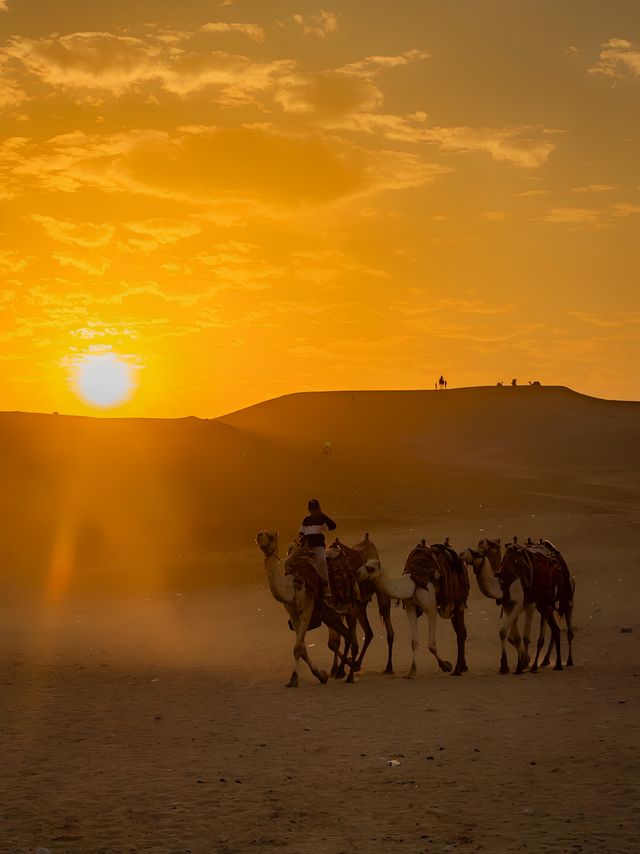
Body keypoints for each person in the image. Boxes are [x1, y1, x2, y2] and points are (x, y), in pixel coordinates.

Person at [299, 499, 337, 601]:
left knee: (322, 560)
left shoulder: (322, 518)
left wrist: (323, 515)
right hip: (306, 547)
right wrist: (301, 542)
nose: (314, 511)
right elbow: (301, 534)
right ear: (309, 510)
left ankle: (325, 585)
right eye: (312, 509)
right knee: (294, 562)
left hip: (318, 546)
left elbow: (333, 526)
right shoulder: (306, 520)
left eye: (315, 509)